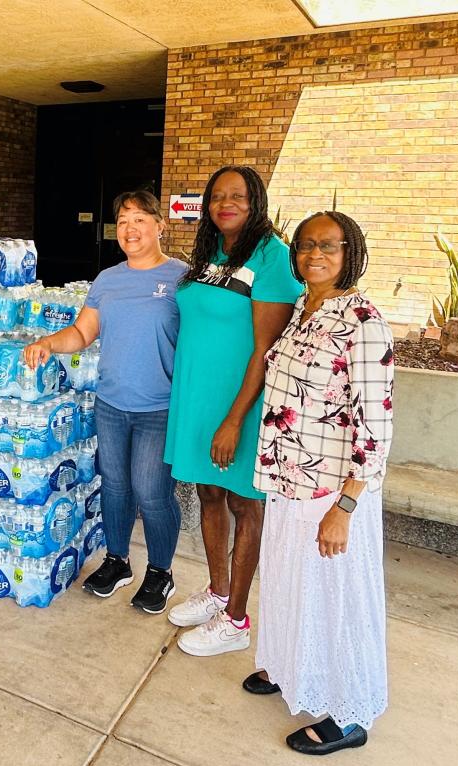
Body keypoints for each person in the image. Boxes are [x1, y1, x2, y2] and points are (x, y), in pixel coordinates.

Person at [247, 211, 393, 755]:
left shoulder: (362, 320)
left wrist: (348, 505)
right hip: (289, 481)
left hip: (331, 490)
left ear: (350, 250)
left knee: (338, 599)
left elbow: (374, 423)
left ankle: (351, 712)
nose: (314, 254)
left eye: (327, 245)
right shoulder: (306, 311)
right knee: (292, 584)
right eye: (306, 245)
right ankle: (292, 670)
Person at [25, 191, 186, 614]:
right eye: (123, 221)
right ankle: (117, 561)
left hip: (159, 407)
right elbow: (81, 334)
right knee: (114, 486)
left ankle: (160, 573)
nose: (130, 229)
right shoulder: (107, 279)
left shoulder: (182, 279)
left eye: (140, 219)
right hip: (111, 404)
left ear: (160, 225)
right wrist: (47, 343)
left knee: (152, 492)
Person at [164, 165, 302, 655]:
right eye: (217, 196)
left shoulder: (272, 256)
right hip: (199, 397)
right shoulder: (210, 252)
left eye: (237, 196)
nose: (226, 203)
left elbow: (266, 348)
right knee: (208, 495)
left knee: (244, 504)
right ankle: (218, 592)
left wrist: (234, 419)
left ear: (256, 201)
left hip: (241, 403)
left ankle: (237, 620)